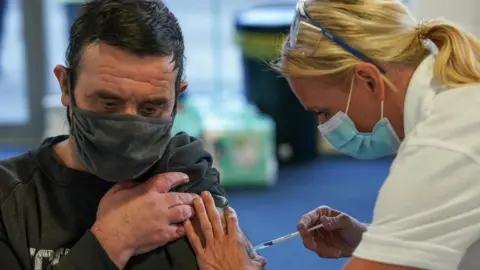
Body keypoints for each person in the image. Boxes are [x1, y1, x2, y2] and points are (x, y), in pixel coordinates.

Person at [184, 0, 480, 269]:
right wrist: (375, 240)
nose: (324, 128)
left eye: (323, 112)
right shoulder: (451, 103)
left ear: (367, 79)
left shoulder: (442, 145)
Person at [0, 0, 263, 269]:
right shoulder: (10, 198)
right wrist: (114, 240)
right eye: (108, 103)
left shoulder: (186, 175)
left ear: (177, 98)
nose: (129, 125)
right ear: (66, 86)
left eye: (150, 108)